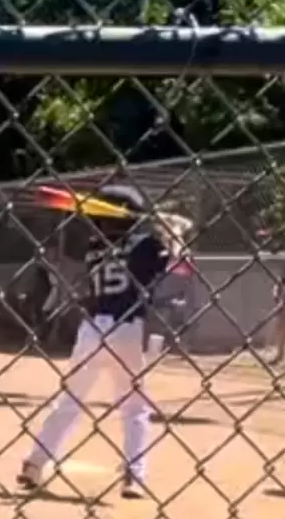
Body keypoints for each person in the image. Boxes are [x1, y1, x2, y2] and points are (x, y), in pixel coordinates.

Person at [17, 184, 171, 500]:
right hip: (127, 330)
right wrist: (171, 234)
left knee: (70, 401)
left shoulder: (93, 248)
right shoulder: (145, 245)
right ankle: (134, 476)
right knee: (134, 408)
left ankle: (35, 463)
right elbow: (171, 264)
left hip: (91, 332)